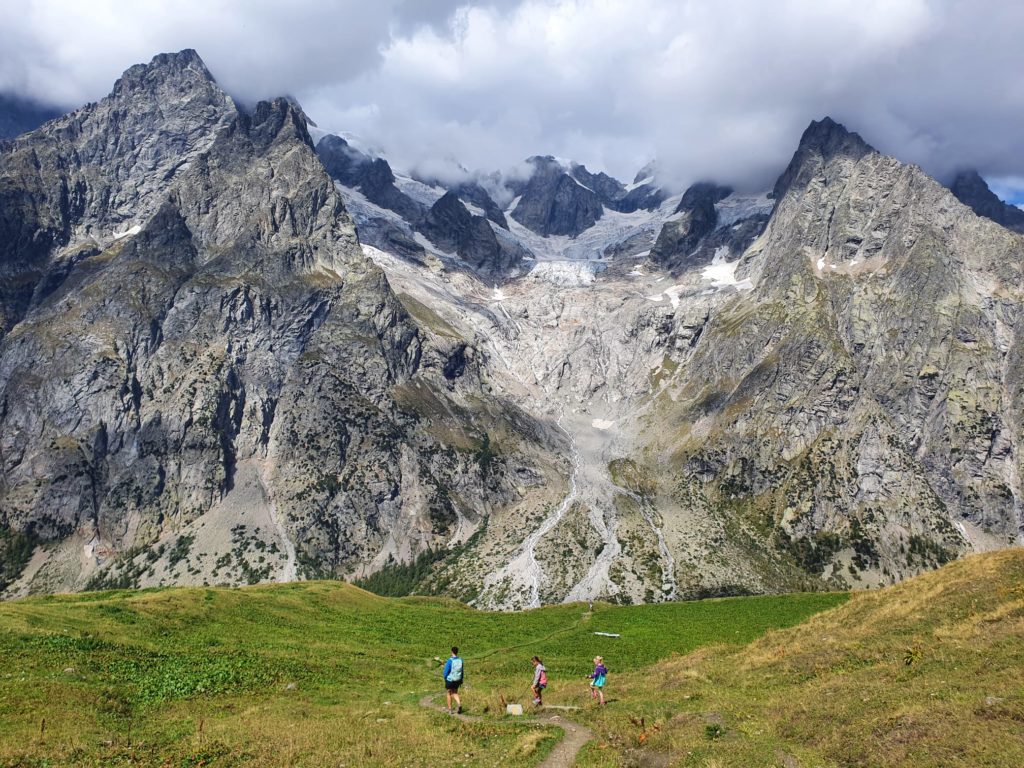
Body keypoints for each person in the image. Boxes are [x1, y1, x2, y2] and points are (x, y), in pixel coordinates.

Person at [443, 646, 464, 714]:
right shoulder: (461, 660)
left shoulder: (450, 661)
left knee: (449, 693)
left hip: (450, 680)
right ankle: (459, 704)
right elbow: (462, 671)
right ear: (457, 652)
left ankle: (450, 710)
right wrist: (461, 679)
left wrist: (445, 677)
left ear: (452, 652)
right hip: (458, 679)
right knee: (455, 693)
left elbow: (446, 672)